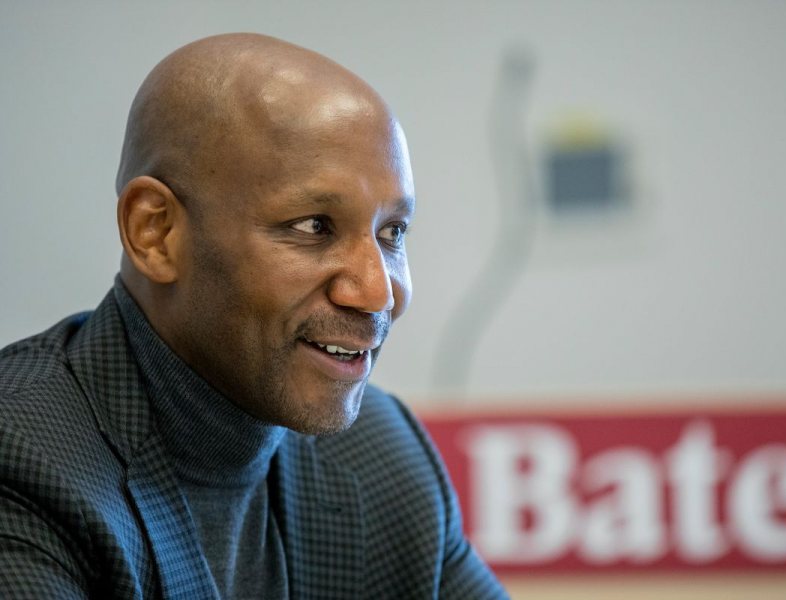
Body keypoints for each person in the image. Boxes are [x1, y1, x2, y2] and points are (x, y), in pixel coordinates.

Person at [0, 33, 507, 599]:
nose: (375, 292)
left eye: (392, 234)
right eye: (314, 226)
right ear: (156, 233)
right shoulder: (20, 460)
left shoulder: (383, 454)